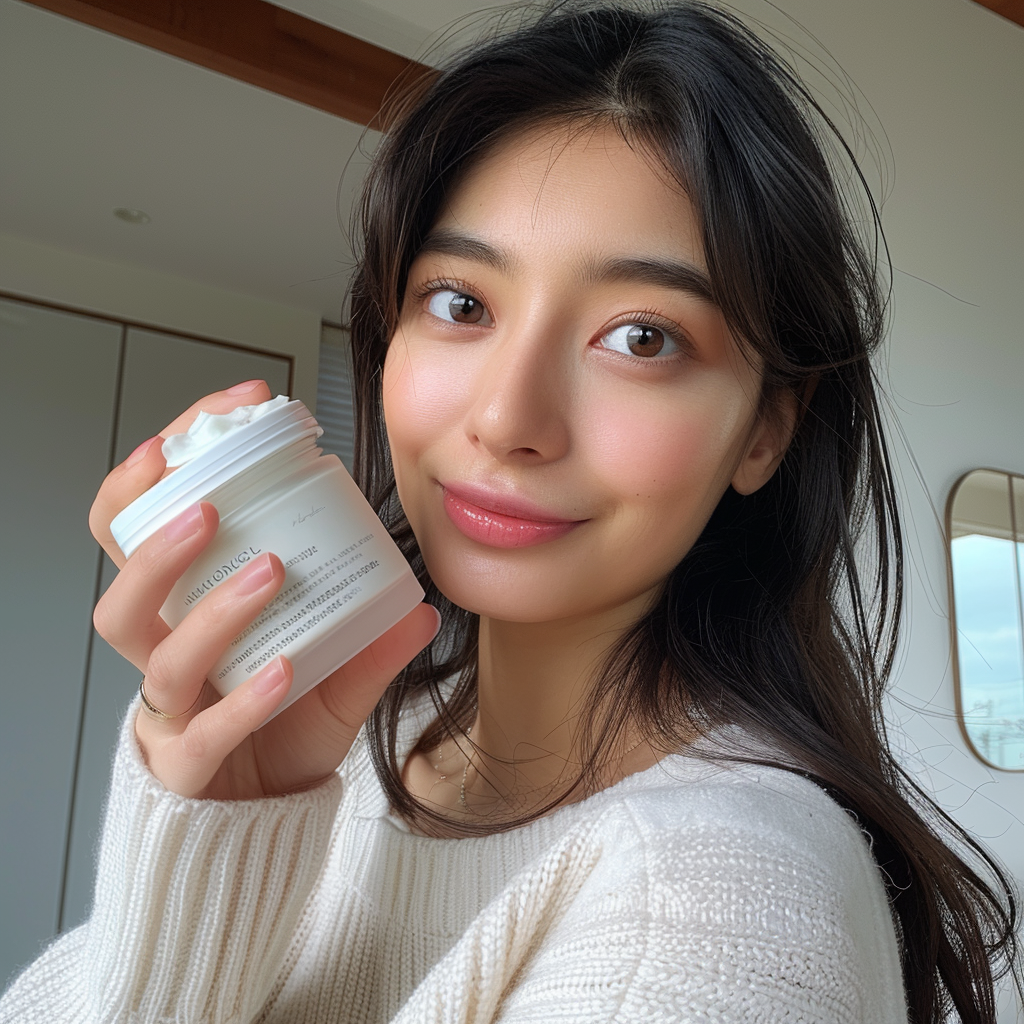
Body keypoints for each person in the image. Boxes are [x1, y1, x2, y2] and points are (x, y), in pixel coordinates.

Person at [2, 2, 1021, 1021]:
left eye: (642, 338)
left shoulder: (725, 892)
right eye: (460, 304)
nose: (505, 417)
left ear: (763, 432)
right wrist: (220, 829)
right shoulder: (347, 745)